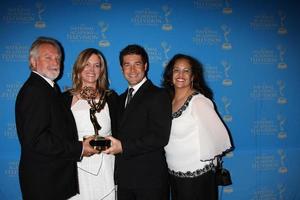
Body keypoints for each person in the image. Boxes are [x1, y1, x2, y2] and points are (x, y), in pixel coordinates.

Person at [15, 36, 98, 200]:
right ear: (33, 61)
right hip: (45, 185)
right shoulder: (35, 91)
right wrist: (79, 148)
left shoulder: (48, 88)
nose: (55, 62)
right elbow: (37, 140)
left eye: (58, 58)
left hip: (52, 182)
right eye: (48, 57)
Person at [103, 44, 172, 200]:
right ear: (121, 69)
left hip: (150, 181)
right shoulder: (119, 100)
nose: (132, 70)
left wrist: (123, 147)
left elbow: (159, 137)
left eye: (137, 64)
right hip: (124, 180)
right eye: (127, 65)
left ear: (145, 66)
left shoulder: (159, 95)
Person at [161, 54, 233, 200]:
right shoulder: (167, 100)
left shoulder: (199, 102)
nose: (181, 75)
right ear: (170, 75)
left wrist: (209, 161)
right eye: (176, 70)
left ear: (193, 76)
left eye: (186, 71)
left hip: (197, 178)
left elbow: (219, 137)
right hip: (174, 174)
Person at [63, 48, 118, 200]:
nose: (91, 70)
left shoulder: (112, 98)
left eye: (97, 65)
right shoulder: (63, 100)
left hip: (107, 165)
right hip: (76, 166)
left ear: (102, 70)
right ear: (78, 68)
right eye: (87, 64)